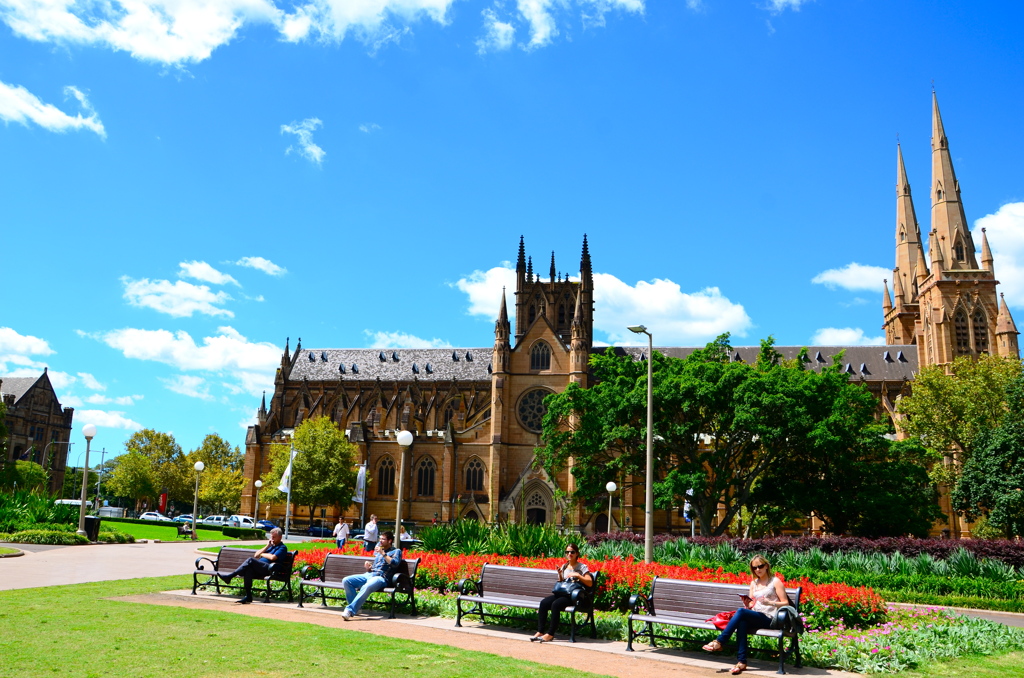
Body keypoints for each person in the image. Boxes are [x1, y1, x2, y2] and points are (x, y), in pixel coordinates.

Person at [702, 555, 791, 675]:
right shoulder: (754, 583)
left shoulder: (775, 581)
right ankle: (741, 662)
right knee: (742, 622)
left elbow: (785, 603)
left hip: (771, 618)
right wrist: (748, 604)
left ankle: (720, 641)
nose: (758, 570)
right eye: (755, 568)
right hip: (757, 615)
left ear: (766, 566)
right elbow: (752, 604)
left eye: (760, 566)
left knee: (741, 612)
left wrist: (770, 602)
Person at [530, 542, 593, 643]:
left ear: (577, 553)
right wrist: (560, 575)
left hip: (573, 596)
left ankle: (550, 634)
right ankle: (540, 631)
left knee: (556, 605)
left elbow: (589, 583)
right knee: (544, 603)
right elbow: (562, 582)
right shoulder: (565, 566)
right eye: (567, 552)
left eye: (572, 552)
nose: (569, 554)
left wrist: (577, 575)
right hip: (562, 593)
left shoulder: (582, 567)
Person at [340, 531, 402, 619]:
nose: (380, 541)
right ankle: (356, 609)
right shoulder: (379, 552)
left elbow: (395, 564)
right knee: (346, 580)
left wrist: (383, 554)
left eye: (383, 539)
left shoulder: (396, 551)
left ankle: (350, 610)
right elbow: (377, 566)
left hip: (381, 578)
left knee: (367, 585)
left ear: (390, 541)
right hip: (370, 574)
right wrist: (369, 567)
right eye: (380, 538)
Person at [218, 528, 289, 604]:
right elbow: (256, 555)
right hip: (261, 568)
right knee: (249, 570)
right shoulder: (270, 546)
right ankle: (248, 596)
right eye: (271, 537)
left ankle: (230, 576)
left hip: (270, 569)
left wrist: (262, 554)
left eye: (274, 537)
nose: (272, 539)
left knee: (250, 560)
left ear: (280, 537)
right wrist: (267, 546)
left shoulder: (282, 548)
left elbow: (272, 557)